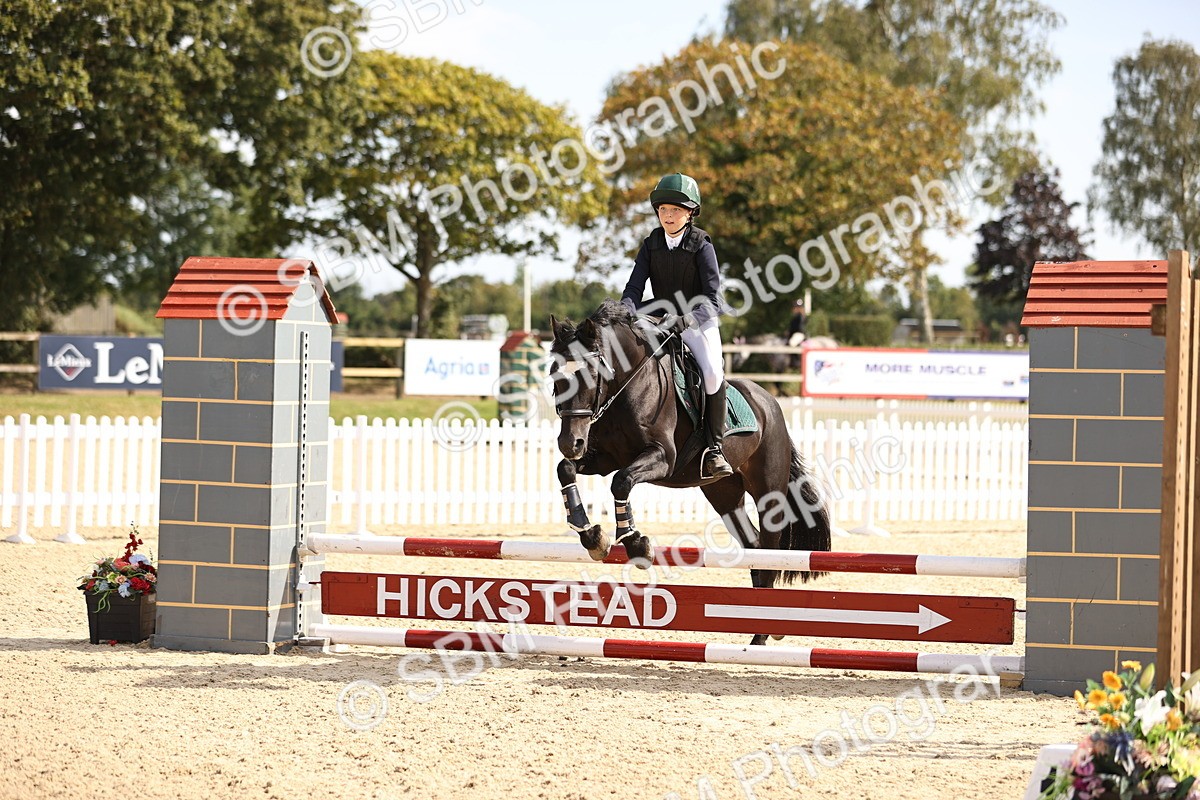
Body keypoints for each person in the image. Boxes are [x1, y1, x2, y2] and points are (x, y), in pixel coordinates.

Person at [620, 172, 732, 480]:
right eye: (663, 210)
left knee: (711, 370)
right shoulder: (651, 244)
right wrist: (626, 310)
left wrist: (687, 319)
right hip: (658, 316)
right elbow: (634, 288)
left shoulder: (701, 244)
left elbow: (712, 297)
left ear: (690, 212)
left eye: (676, 210)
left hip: (697, 319)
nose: (668, 216)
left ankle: (714, 448)